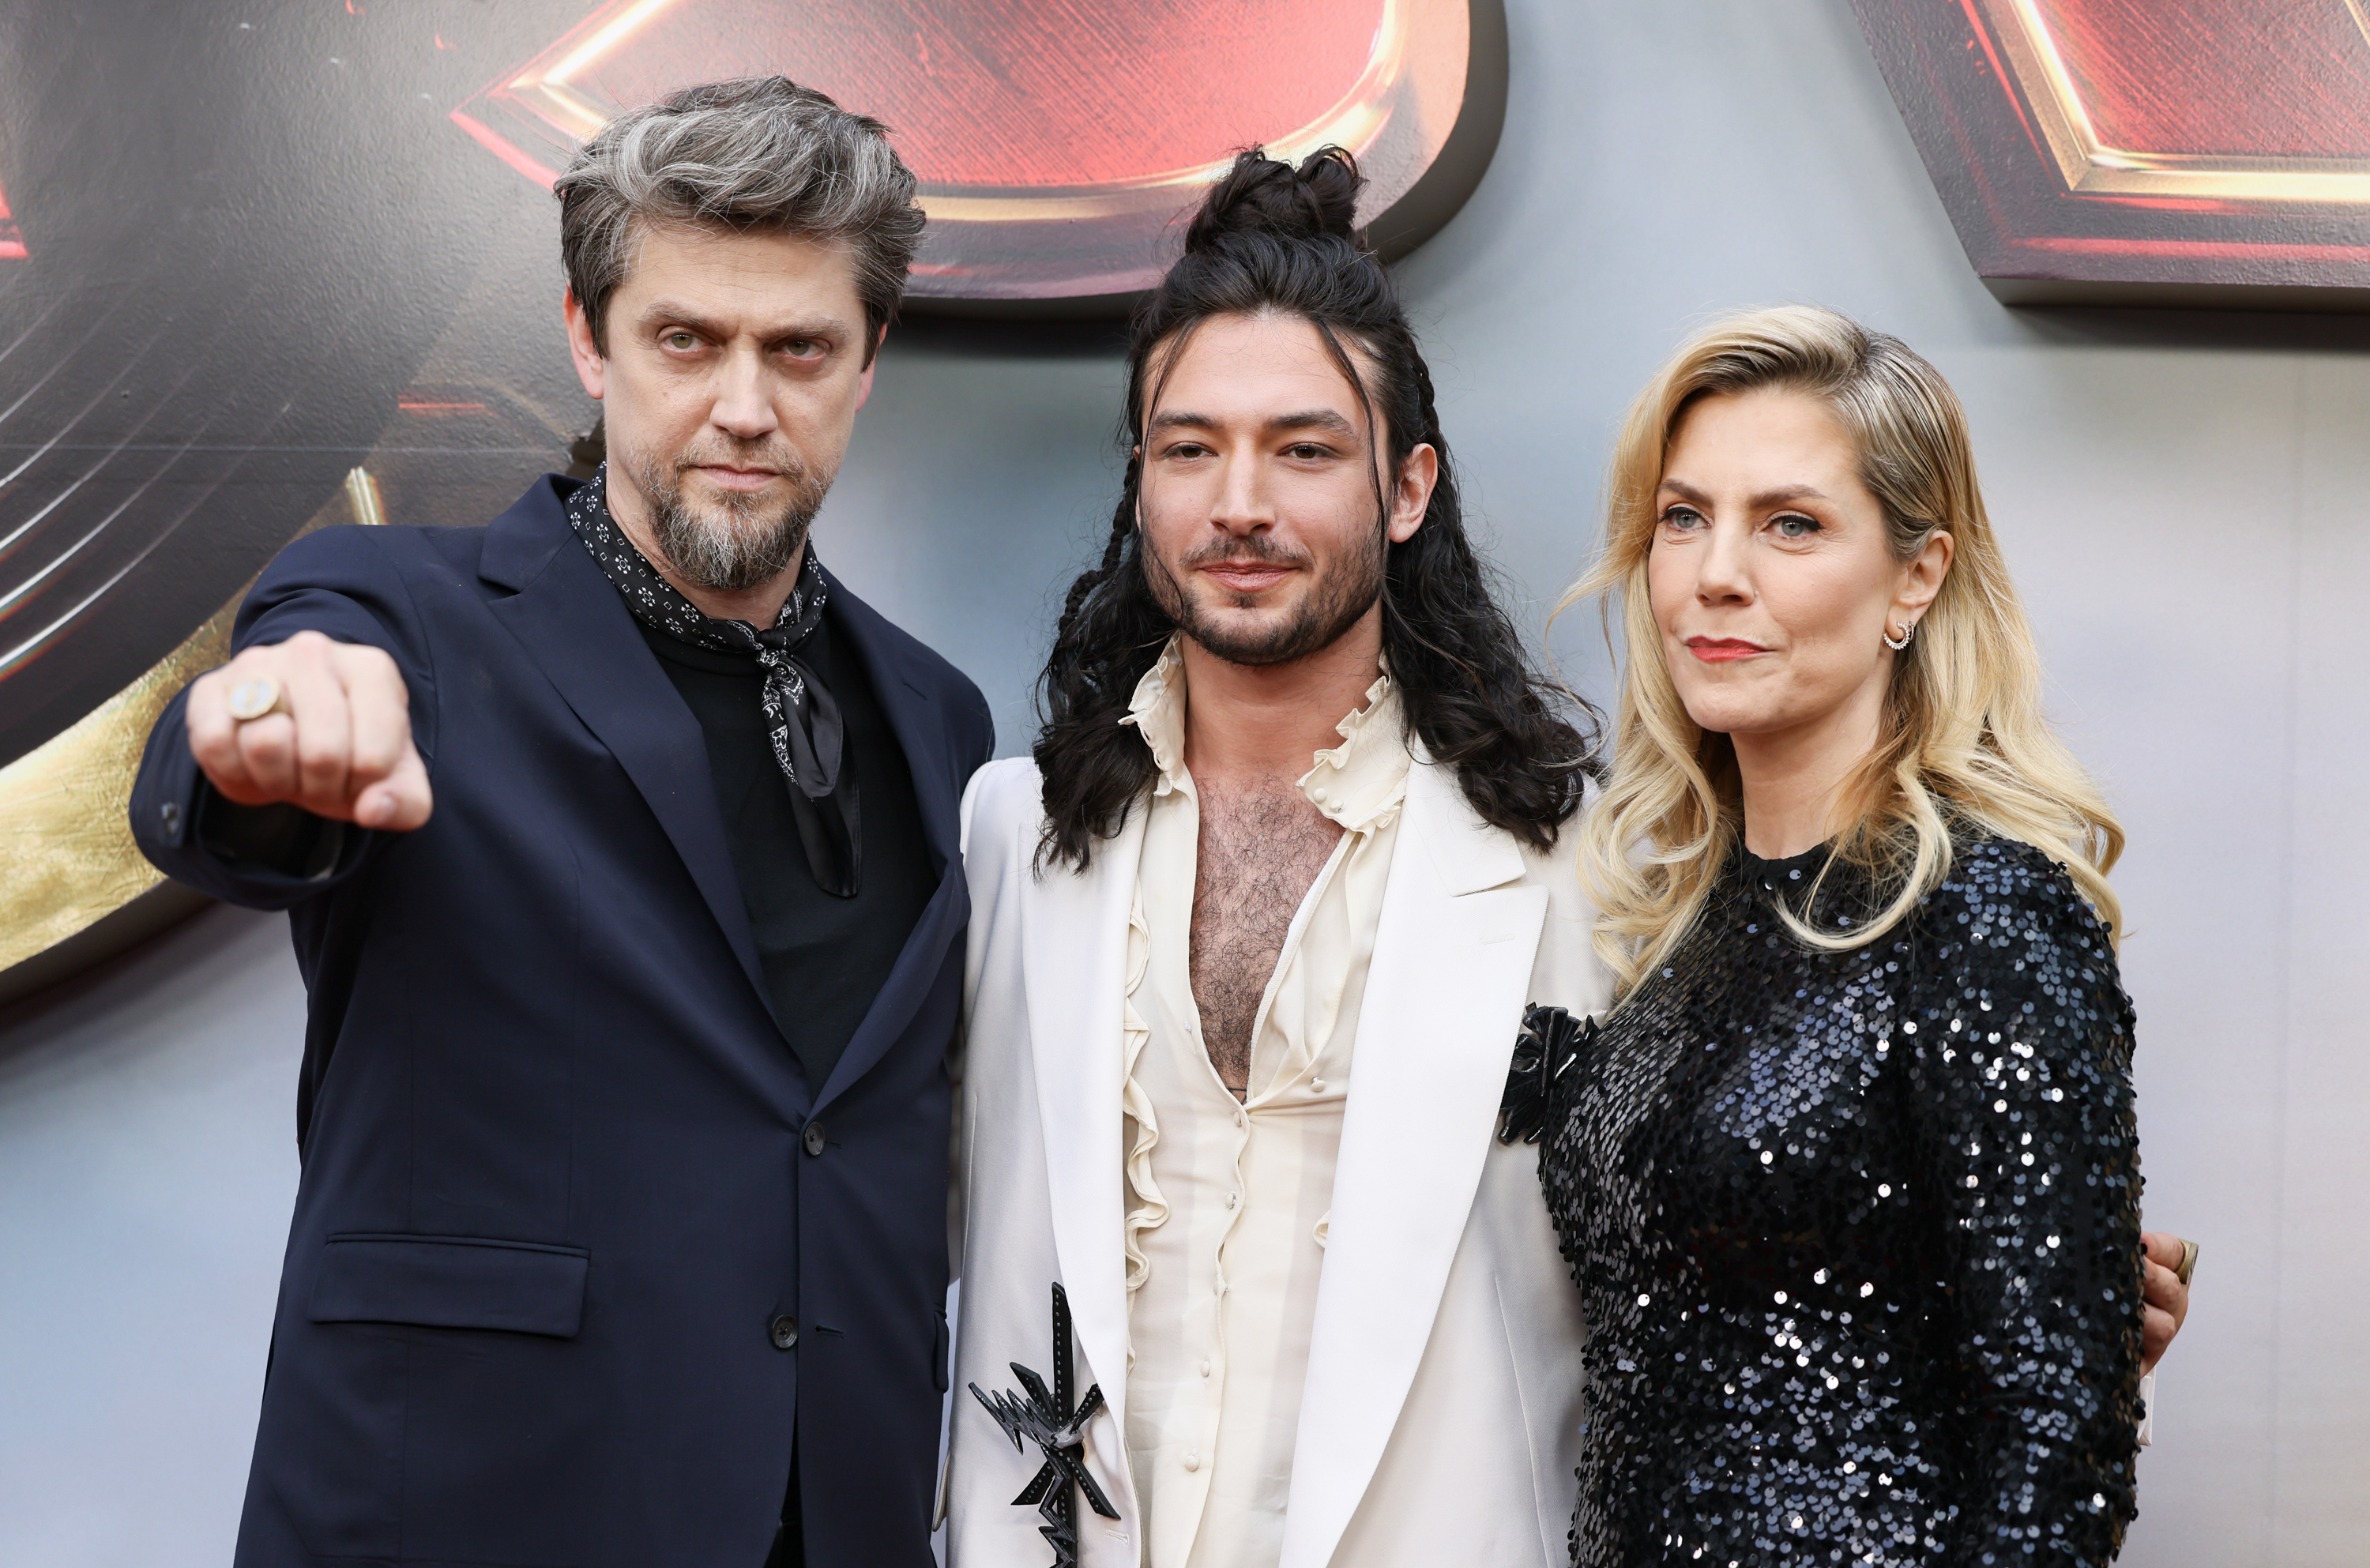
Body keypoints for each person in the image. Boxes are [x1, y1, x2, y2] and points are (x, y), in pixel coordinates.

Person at [128, 79, 988, 1568]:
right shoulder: (403, 616)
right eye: (685, 340)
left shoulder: (938, 719)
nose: (741, 402)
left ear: (867, 364)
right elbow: (259, 742)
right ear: (590, 341)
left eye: (798, 348)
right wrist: (265, 731)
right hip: (470, 1515)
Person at [946, 148, 1611, 1567]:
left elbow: (1715, 1234)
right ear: (1142, 484)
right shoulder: (1009, 835)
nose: (1238, 503)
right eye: (1190, 448)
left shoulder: (1572, 862)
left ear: (1408, 486)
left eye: (1304, 449)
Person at [1538, 306, 2151, 1566]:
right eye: (1684, 517)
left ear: (1916, 577)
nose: (1717, 573)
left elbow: (2058, 1450)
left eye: (1791, 523)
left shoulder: (1986, 915)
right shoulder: (1683, 928)